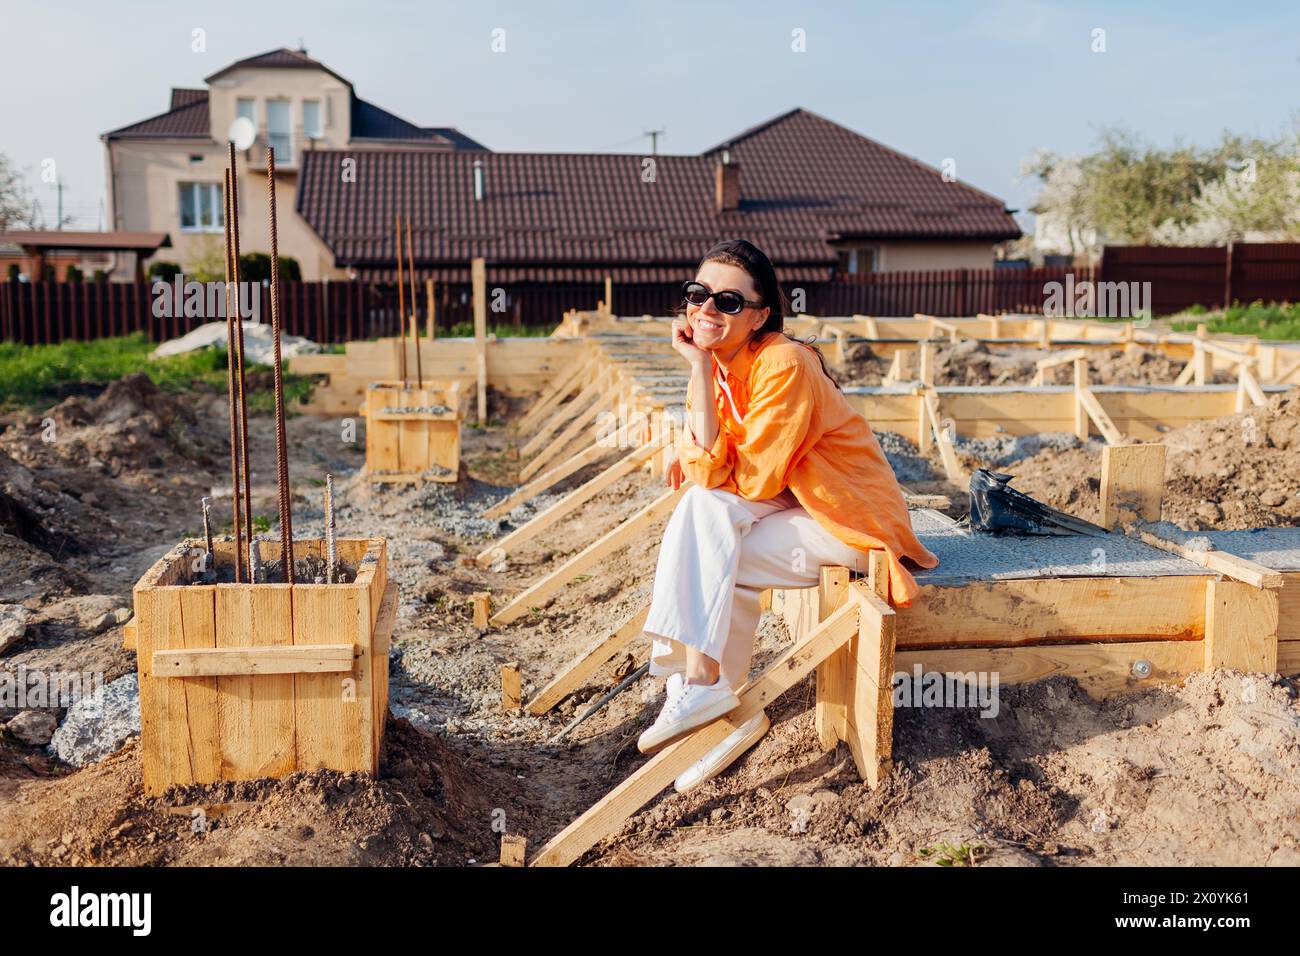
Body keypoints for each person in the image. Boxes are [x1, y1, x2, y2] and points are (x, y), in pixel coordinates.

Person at [639, 238, 939, 793]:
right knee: (717, 552)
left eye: (728, 302)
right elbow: (709, 470)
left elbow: (749, 479)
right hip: (799, 509)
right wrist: (699, 371)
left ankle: (699, 681)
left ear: (760, 316)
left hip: (849, 520)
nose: (706, 309)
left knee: (706, 518)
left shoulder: (784, 363)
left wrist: (704, 393)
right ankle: (729, 711)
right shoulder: (724, 369)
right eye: (697, 294)